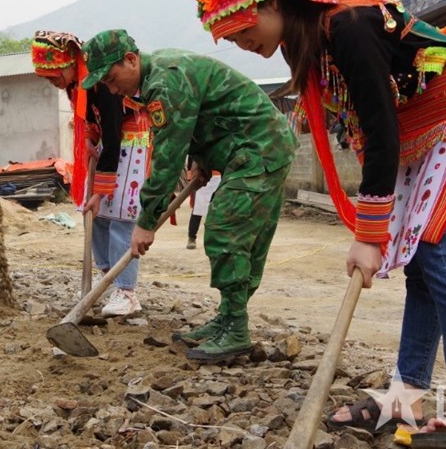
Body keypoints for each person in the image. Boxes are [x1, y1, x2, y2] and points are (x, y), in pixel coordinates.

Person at [193, 0, 446, 446]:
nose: (241, 44)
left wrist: (370, 232)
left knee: (440, 253)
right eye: (230, 39)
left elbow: (379, 129)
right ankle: (405, 396)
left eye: (242, 28)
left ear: (274, 4)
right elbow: (367, 130)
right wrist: (374, 230)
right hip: (416, 136)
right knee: (422, 266)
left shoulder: (350, 26)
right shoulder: (305, 46)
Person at [81, 29, 298, 361]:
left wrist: (146, 221)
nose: (112, 89)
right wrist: (202, 162)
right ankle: (227, 320)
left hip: (259, 149)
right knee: (234, 236)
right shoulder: (161, 73)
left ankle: (236, 329)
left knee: (227, 232)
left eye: (111, 78)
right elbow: (201, 118)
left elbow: (167, 158)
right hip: (248, 148)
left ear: (131, 59)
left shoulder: (164, 84)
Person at [30, 30, 152, 317]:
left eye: (54, 74)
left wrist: (99, 191)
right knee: (96, 218)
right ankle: (106, 279)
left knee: (122, 219)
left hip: (131, 145)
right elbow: (98, 125)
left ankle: (126, 291)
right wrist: (89, 136)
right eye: (47, 78)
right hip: (109, 148)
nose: (53, 82)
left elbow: (114, 133)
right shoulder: (77, 88)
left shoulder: (101, 85)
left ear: (71, 63)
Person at [186, 169, 221, 250]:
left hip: (219, 178)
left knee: (217, 210)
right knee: (197, 210)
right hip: (202, 178)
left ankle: (216, 239)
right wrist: (190, 172)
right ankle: (191, 238)